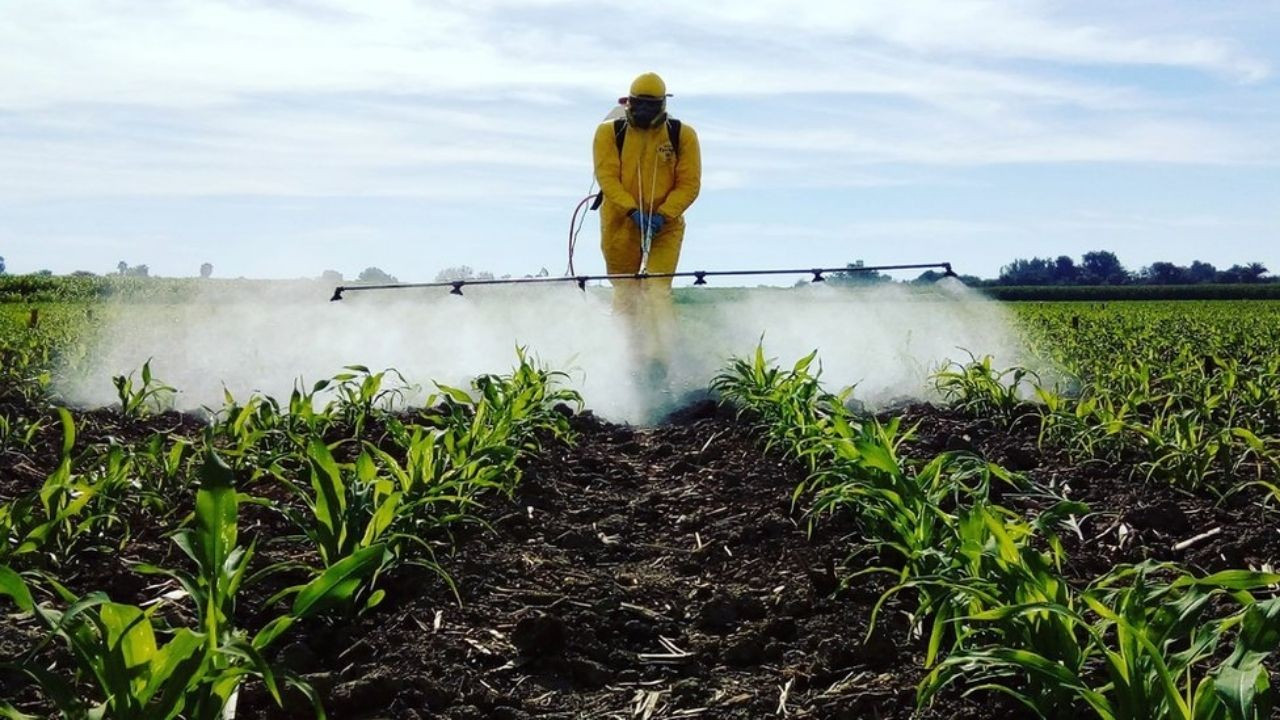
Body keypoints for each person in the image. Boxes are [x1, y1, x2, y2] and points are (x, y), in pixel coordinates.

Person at [593, 72, 701, 383]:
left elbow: (689, 183)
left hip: (665, 226)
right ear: (628, 102)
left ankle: (661, 360)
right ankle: (628, 358)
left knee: (656, 290)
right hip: (620, 225)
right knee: (626, 292)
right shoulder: (609, 133)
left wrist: (664, 214)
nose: (643, 112)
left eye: (650, 106)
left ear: (663, 106)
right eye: (638, 105)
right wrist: (631, 210)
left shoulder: (682, 135)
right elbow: (607, 177)